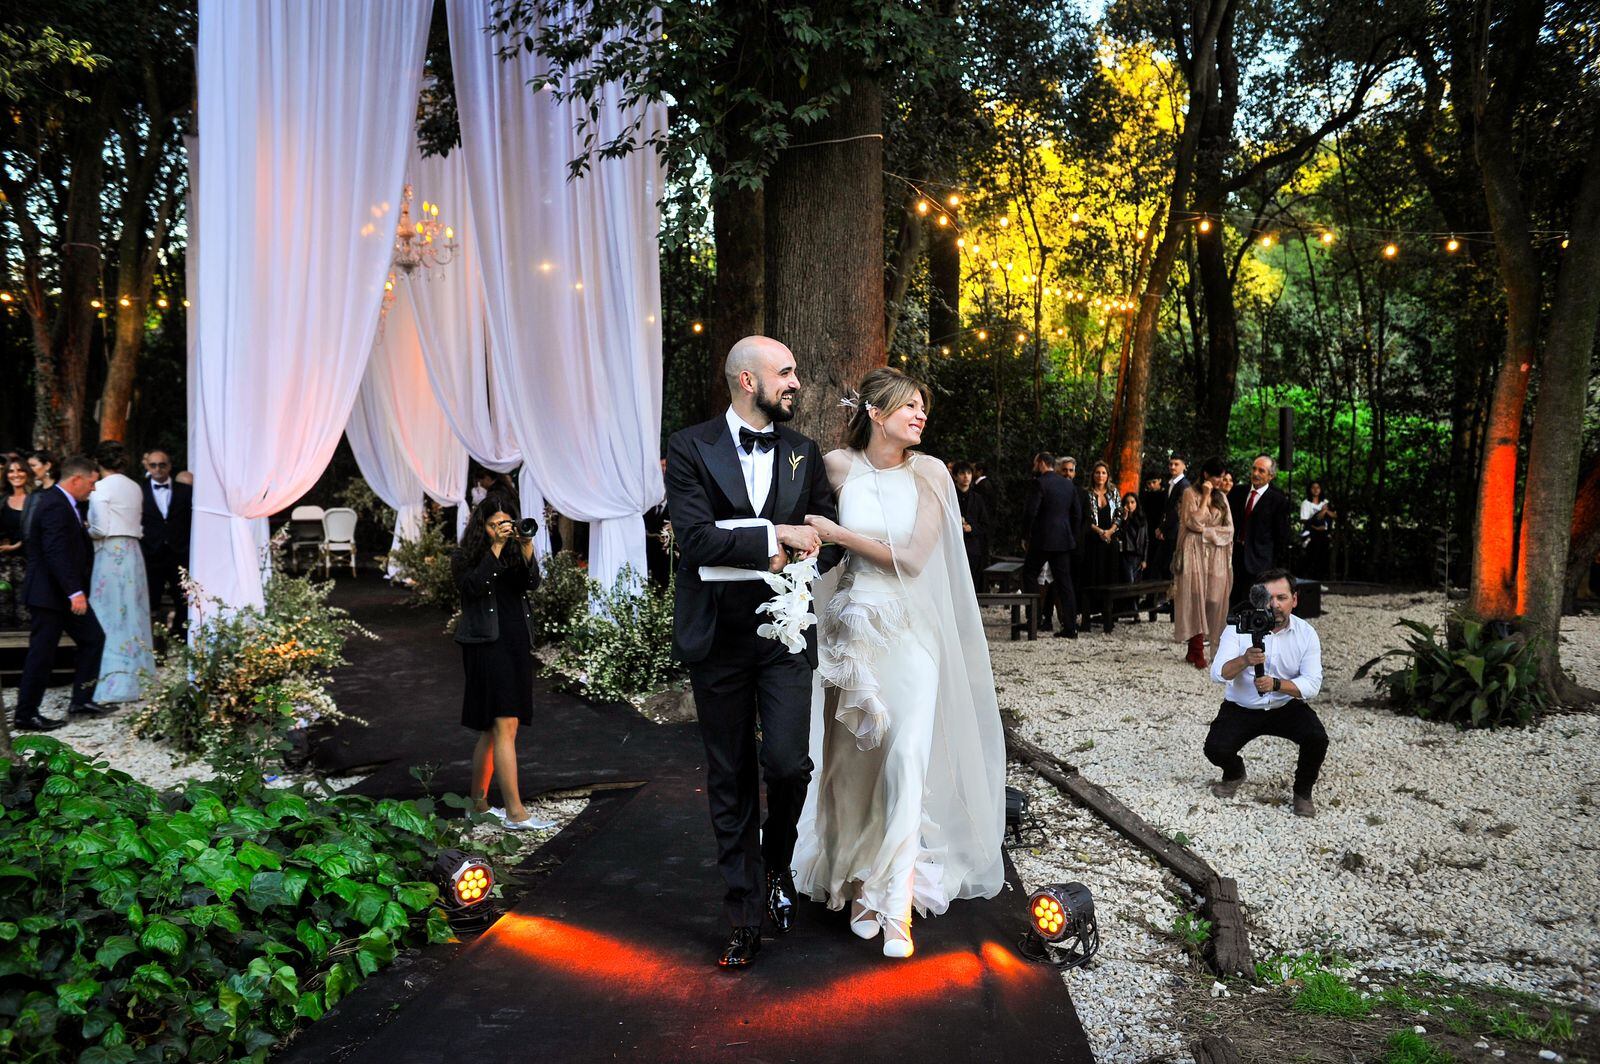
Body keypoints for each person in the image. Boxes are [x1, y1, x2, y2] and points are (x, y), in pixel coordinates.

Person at [795, 367, 1005, 960]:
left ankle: (898, 900)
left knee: (908, 755)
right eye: (909, 406)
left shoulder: (931, 472)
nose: (920, 415)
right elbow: (809, 543)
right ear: (877, 413)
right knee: (854, 764)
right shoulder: (836, 466)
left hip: (911, 632)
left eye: (923, 408)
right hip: (854, 635)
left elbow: (913, 560)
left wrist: (838, 531)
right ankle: (860, 883)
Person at [663, 335, 839, 969]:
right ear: (746, 380)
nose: (796, 381)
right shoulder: (689, 446)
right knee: (730, 774)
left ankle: (775, 866)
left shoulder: (803, 452)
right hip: (718, 637)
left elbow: (826, 535)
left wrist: (803, 545)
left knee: (789, 763)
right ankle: (743, 912)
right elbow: (695, 539)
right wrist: (772, 537)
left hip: (785, 635)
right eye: (785, 372)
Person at [454, 494, 553, 833]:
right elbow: (475, 587)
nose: (501, 529)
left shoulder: (514, 550)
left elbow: (532, 583)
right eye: (494, 524)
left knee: (493, 729)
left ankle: (478, 805)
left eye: (505, 523)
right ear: (481, 527)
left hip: (513, 641)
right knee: (504, 724)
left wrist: (525, 545)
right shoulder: (465, 556)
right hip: (485, 644)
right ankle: (515, 812)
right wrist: (494, 547)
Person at [1205, 568, 1326, 818]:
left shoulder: (1306, 633)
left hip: (1284, 706)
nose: (1275, 605)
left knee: (1317, 739)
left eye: (1281, 597)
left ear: (1295, 599)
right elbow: (1218, 673)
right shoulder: (1238, 628)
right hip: (1242, 707)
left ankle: (1303, 791)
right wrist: (1244, 660)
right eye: (1268, 598)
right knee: (1215, 749)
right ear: (1258, 600)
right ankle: (1234, 772)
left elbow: (1312, 685)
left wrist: (1277, 685)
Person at [14, 455, 110, 731]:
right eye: (91, 483)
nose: (93, 488)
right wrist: (74, 592)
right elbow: (56, 553)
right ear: (76, 479)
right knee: (42, 653)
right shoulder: (54, 504)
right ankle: (25, 714)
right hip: (50, 594)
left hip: (63, 593)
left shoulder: (67, 503)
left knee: (93, 638)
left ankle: (81, 700)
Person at [87, 441, 154, 703]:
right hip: (133, 551)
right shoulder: (135, 486)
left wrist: (86, 529)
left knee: (109, 614)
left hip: (110, 551)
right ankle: (139, 678)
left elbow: (100, 528)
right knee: (134, 613)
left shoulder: (101, 488)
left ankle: (111, 682)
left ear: (98, 462)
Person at [1172, 457, 1234, 669]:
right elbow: (1193, 522)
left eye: (1222, 477)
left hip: (1216, 554)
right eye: (1217, 476)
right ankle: (1196, 649)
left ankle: (1211, 645)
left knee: (1214, 599)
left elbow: (1229, 530)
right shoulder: (1191, 493)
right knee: (1195, 596)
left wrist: (1207, 534)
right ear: (1206, 475)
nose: (1220, 481)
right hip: (1193, 552)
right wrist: (1206, 496)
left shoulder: (1223, 498)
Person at [1021, 451, 1082, 639]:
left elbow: (1031, 512)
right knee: (1065, 582)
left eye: (1034, 463)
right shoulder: (1067, 485)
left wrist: (1025, 535)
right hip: (1062, 539)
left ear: (1040, 463)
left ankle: (1033, 620)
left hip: (1042, 539)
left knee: (1029, 574)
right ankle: (1070, 626)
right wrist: (1071, 534)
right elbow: (1077, 514)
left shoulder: (1039, 483)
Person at [1228, 454, 1292, 605]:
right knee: (1234, 602)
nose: (1256, 473)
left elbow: (1281, 535)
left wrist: (1272, 563)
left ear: (1271, 476)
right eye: (1254, 469)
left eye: (1261, 471)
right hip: (1234, 556)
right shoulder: (1237, 492)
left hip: (1260, 561)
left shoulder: (1278, 500)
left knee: (1255, 604)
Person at [139, 449, 192, 624]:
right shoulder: (139, 490)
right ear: (147, 466)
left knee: (184, 600)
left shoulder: (185, 491)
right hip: (151, 554)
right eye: (153, 465)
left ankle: (182, 637)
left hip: (179, 553)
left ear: (169, 466)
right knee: (150, 600)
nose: (158, 469)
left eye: (162, 465)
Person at [1078, 460, 1122, 631]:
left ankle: (1108, 617)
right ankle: (1087, 618)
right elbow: (1085, 518)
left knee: (1109, 578)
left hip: (1110, 542)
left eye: (1103, 473)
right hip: (1092, 541)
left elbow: (1119, 514)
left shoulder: (1114, 492)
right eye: (1097, 472)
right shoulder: (1086, 494)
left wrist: (1110, 531)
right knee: (1090, 578)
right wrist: (1100, 532)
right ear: (1093, 475)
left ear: (1108, 475)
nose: (1100, 476)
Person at [1, 457, 31, 627]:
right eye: (11, 471)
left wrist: (17, 545)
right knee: (3, 611)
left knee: (25, 611)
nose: (16, 474)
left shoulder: (36, 499)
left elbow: (37, 531)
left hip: (27, 563)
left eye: (20, 470)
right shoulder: (3, 500)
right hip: (3, 565)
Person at [952, 460, 991, 588]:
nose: (966, 476)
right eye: (962, 473)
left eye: (969, 473)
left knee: (971, 583)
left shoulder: (977, 498)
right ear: (955, 476)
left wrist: (972, 528)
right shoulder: (949, 497)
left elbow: (985, 524)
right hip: (953, 546)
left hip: (972, 548)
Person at [1151, 455, 1188, 579]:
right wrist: (1160, 527)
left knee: (1169, 567)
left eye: (1176, 464)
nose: (1172, 467)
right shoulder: (1170, 483)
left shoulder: (1184, 485)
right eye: (1170, 464)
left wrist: (1162, 528)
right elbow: (1166, 509)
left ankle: (1168, 597)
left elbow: (1177, 511)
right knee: (1158, 565)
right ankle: (1154, 598)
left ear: (1184, 466)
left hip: (1175, 531)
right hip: (1167, 530)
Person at [1300, 481, 1335, 580]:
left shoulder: (1325, 502)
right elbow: (1304, 520)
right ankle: (1309, 582)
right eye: (1313, 488)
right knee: (1311, 558)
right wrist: (1316, 525)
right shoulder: (1306, 503)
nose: (1316, 490)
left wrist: (1326, 511)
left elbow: (1334, 515)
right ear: (1310, 490)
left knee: (1322, 559)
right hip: (1311, 534)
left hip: (1323, 535)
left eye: (1318, 487)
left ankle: (1320, 582)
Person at [1116, 491, 1148, 584]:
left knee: (1137, 583)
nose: (1130, 505)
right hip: (1127, 555)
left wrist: (1144, 559)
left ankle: (1135, 599)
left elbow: (1146, 539)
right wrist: (1125, 519)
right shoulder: (1121, 519)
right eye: (1127, 502)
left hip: (1139, 555)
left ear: (1136, 503)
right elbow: (1119, 535)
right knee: (1129, 582)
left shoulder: (1142, 518)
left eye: (1132, 502)